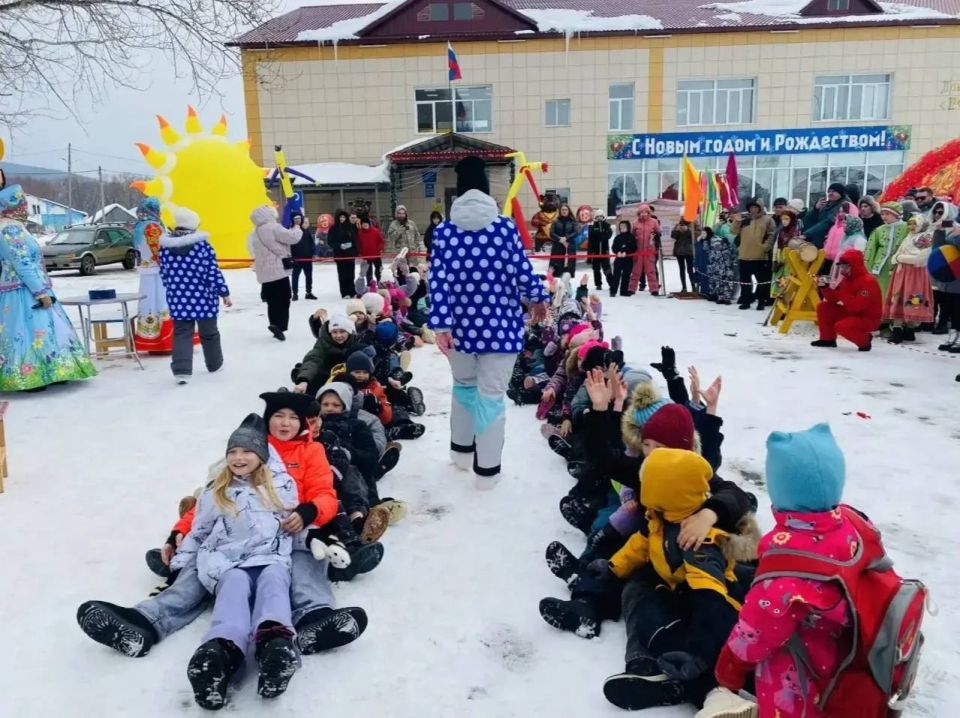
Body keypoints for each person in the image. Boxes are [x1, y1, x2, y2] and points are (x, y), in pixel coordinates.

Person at [712, 424, 861, 718]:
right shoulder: (854, 526)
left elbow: (755, 631)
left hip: (803, 679)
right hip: (848, 662)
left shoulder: (785, 563)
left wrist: (728, 669)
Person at [599, 449, 755, 712]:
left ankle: (719, 694)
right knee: (649, 614)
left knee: (726, 652)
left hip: (716, 611)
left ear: (663, 492)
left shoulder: (695, 539)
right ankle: (688, 683)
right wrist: (613, 567)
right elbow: (640, 545)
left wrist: (698, 653)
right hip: (680, 593)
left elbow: (710, 600)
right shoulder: (660, 517)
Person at [429, 155, 549, 487]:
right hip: (501, 328)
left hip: (459, 331)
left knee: (464, 388)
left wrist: (441, 326)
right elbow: (521, 270)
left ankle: (461, 453)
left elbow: (437, 281)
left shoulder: (444, 233)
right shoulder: (504, 228)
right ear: (485, 188)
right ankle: (487, 471)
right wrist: (538, 297)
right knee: (491, 397)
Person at [171, 415, 300, 708]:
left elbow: (296, 523)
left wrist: (322, 540)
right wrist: (180, 562)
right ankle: (220, 653)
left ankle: (275, 647)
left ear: (262, 455)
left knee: (274, 587)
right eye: (233, 452)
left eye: (247, 451)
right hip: (229, 562)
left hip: (270, 557)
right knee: (234, 591)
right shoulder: (217, 491)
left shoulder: (281, 486)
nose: (239, 457)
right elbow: (199, 531)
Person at [0, 183, 97, 391]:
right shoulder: (10, 229)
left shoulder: (13, 226)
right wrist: (40, 292)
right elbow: (22, 263)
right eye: (22, 204)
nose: (25, 209)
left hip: (24, 287)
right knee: (31, 332)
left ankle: (56, 370)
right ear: (13, 206)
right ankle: (30, 376)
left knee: (44, 329)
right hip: (23, 291)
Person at [158, 207, 231, 384]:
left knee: (182, 333)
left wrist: (173, 289)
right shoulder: (202, 246)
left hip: (178, 298)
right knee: (209, 332)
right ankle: (214, 364)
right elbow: (212, 272)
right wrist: (224, 292)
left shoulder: (165, 248)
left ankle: (181, 371)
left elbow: (164, 273)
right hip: (204, 297)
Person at [249, 203, 302, 341]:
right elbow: (293, 238)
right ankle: (280, 326)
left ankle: (273, 323)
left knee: (272, 301)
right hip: (278, 270)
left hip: (264, 273)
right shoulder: (273, 227)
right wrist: (297, 228)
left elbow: (251, 250)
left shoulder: (254, 232)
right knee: (284, 298)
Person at [811, 249, 882, 352]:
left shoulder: (868, 282)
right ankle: (827, 339)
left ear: (853, 266)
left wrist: (838, 290)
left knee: (841, 326)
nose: (842, 269)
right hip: (852, 313)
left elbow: (856, 307)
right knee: (824, 307)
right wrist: (824, 287)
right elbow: (832, 299)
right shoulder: (847, 279)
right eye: (841, 266)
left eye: (845, 266)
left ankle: (865, 341)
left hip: (868, 319)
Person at [882, 215, 935, 343]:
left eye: (914, 224)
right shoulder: (909, 237)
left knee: (912, 299)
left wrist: (900, 258)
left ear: (921, 225)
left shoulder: (925, 238)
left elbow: (920, 259)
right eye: (910, 224)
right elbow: (897, 254)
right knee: (899, 298)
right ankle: (899, 329)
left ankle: (908, 329)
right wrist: (897, 258)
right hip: (902, 272)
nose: (911, 227)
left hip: (915, 274)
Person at [131, 197, 174, 352]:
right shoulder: (152, 226)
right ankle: (163, 340)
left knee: (149, 303)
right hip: (157, 271)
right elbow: (159, 251)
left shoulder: (139, 226)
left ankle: (150, 337)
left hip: (147, 270)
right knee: (160, 303)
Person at [293, 314, 360, 396]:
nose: (338, 335)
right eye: (334, 332)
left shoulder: (355, 342)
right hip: (325, 374)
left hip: (347, 375)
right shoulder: (323, 342)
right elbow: (313, 359)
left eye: (342, 331)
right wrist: (304, 380)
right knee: (307, 374)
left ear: (349, 332)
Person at [732, 199, 776, 310]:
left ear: (760, 208)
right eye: (751, 207)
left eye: (756, 207)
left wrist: (765, 247)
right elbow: (733, 231)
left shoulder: (768, 220)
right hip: (744, 255)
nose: (753, 210)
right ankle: (746, 301)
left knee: (761, 281)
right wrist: (737, 221)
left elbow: (772, 235)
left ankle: (761, 301)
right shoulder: (745, 219)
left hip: (760, 256)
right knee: (745, 282)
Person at [864, 201, 909, 300]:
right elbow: (870, 250)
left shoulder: (907, 228)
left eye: (887, 214)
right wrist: (868, 268)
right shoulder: (879, 230)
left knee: (897, 294)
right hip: (881, 267)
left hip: (900, 266)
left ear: (897, 215)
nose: (884, 217)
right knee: (881, 293)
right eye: (882, 214)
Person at [931, 204, 960, 352]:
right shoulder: (954, 227)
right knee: (951, 308)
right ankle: (953, 336)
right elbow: (938, 249)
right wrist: (939, 231)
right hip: (951, 275)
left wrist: (958, 235)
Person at [800, 183, 846, 248]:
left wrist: (807, 234)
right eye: (829, 191)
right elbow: (807, 220)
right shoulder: (826, 204)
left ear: (841, 193)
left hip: (829, 242)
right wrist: (816, 209)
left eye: (834, 191)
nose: (830, 193)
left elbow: (827, 222)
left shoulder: (843, 206)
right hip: (817, 239)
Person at [629, 203, 661, 295]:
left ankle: (654, 289)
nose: (644, 214)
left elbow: (658, 233)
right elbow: (631, 235)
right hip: (638, 251)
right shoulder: (635, 223)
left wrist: (654, 235)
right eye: (642, 212)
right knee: (636, 270)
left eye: (646, 212)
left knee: (651, 270)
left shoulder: (654, 222)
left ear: (649, 212)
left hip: (650, 250)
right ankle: (631, 288)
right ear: (638, 213)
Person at [328, 209, 358, 299]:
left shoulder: (350, 227)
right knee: (342, 274)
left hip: (350, 254)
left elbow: (354, 240)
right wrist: (339, 245)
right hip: (340, 255)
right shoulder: (333, 228)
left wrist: (353, 249)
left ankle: (352, 291)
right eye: (340, 217)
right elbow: (330, 241)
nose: (342, 219)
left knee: (351, 274)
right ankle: (344, 292)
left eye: (344, 217)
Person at [709, 213, 738, 305]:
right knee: (719, 282)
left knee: (730, 281)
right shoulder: (721, 228)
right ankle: (720, 296)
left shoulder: (739, 225)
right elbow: (715, 234)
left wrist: (733, 259)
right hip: (719, 264)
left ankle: (728, 296)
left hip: (730, 261)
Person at [290, 213, 317, 301]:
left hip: (307, 258)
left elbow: (311, 243)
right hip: (296, 259)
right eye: (295, 219)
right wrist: (291, 256)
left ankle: (308, 292)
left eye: (299, 218)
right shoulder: (290, 231)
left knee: (309, 276)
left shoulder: (305, 230)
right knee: (295, 277)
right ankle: (295, 293)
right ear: (292, 220)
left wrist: (313, 253)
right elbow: (289, 245)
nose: (298, 220)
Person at [550, 204, 579, 277]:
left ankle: (568, 279)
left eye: (566, 210)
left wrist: (566, 238)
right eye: (562, 210)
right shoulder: (555, 221)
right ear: (560, 211)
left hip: (570, 245)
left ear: (568, 211)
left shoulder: (573, 221)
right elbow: (551, 233)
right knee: (557, 266)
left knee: (570, 266)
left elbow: (576, 232)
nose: (564, 211)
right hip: (557, 246)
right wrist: (560, 239)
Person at [611, 220, 637, 297]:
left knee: (626, 275)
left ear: (628, 227)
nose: (622, 228)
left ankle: (624, 291)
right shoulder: (617, 237)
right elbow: (614, 247)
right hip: (618, 259)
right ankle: (613, 291)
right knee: (616, 275)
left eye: (624, 226)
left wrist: (626, 252)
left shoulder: (631, 237)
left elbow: (633, 247)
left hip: (628, 259)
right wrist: (617, 252)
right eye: (621, 226)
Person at [588, 209, 613, 291]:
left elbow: (608, 235)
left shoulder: (607, 226)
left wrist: (600, 236)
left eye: (601, 216)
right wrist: (589, 255)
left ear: (603, 217)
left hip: (604, 252)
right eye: (597, 216)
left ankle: (611, 283)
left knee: (607, 269)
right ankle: (598, 284)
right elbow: (591, 240)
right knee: (596, 269)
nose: (599, 218)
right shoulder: (592, 227)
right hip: (595, 252)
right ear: (595, 217)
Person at [357, 216, 385, 285]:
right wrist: (361, 252)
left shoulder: (375, 231)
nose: (365, 225)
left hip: (376, 255)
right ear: (361, 225)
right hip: (366, 256)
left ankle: (380, 283)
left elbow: (381, 241)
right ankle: (370, 285)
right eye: (363, 224)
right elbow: (358, 244)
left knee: (379, 270)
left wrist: (378, 249)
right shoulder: (360, 233)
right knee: (368, 272)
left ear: (369, 224)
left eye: (366, 223)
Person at [671, 219, 695, 294]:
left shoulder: (693, 225)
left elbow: (695, 235)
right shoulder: (677, 225)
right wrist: (677, 230)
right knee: (682, 269)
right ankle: (684, 287)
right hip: (679, 251)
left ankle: (693, 286)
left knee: (690, 269)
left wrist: (687, 230)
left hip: (689, 251)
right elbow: (673, 236)